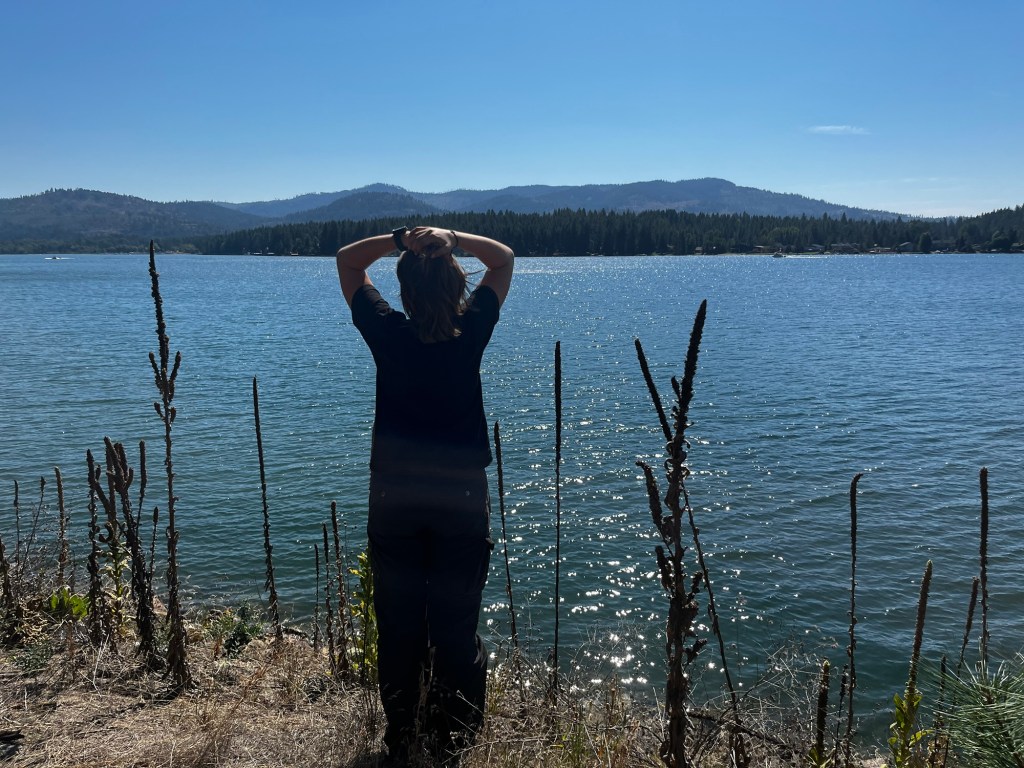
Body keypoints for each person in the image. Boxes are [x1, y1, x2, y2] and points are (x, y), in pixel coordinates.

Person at [336, 225, 514, 765]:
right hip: (461, 497)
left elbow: (348, 261)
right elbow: (503, 259)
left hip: (395, 497)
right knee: (456, 624)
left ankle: (403, 737)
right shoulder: (470, 331)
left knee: (399, 622)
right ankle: (454, 739)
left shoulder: (389, 332)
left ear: (406, 293)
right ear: (459, 288)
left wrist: (400, 239)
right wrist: (452, 237)